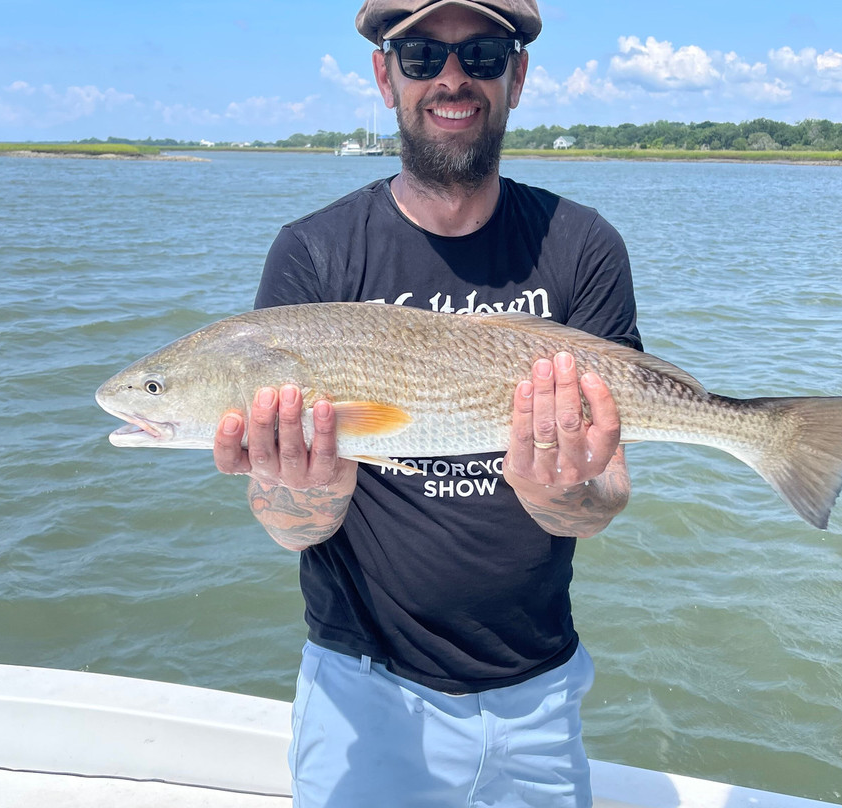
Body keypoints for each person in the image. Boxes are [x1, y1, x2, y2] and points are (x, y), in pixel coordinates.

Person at [214, 1, 641, 804]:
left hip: (542, 695)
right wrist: (306, 490)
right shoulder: (312, 253)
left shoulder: (584, 246)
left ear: (517, 76)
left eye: (481, 54)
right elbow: (287, 526)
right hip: (363, 691)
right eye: (420, 56)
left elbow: (605, 495)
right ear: (385, 77)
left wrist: (561, 493)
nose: (451, 78)